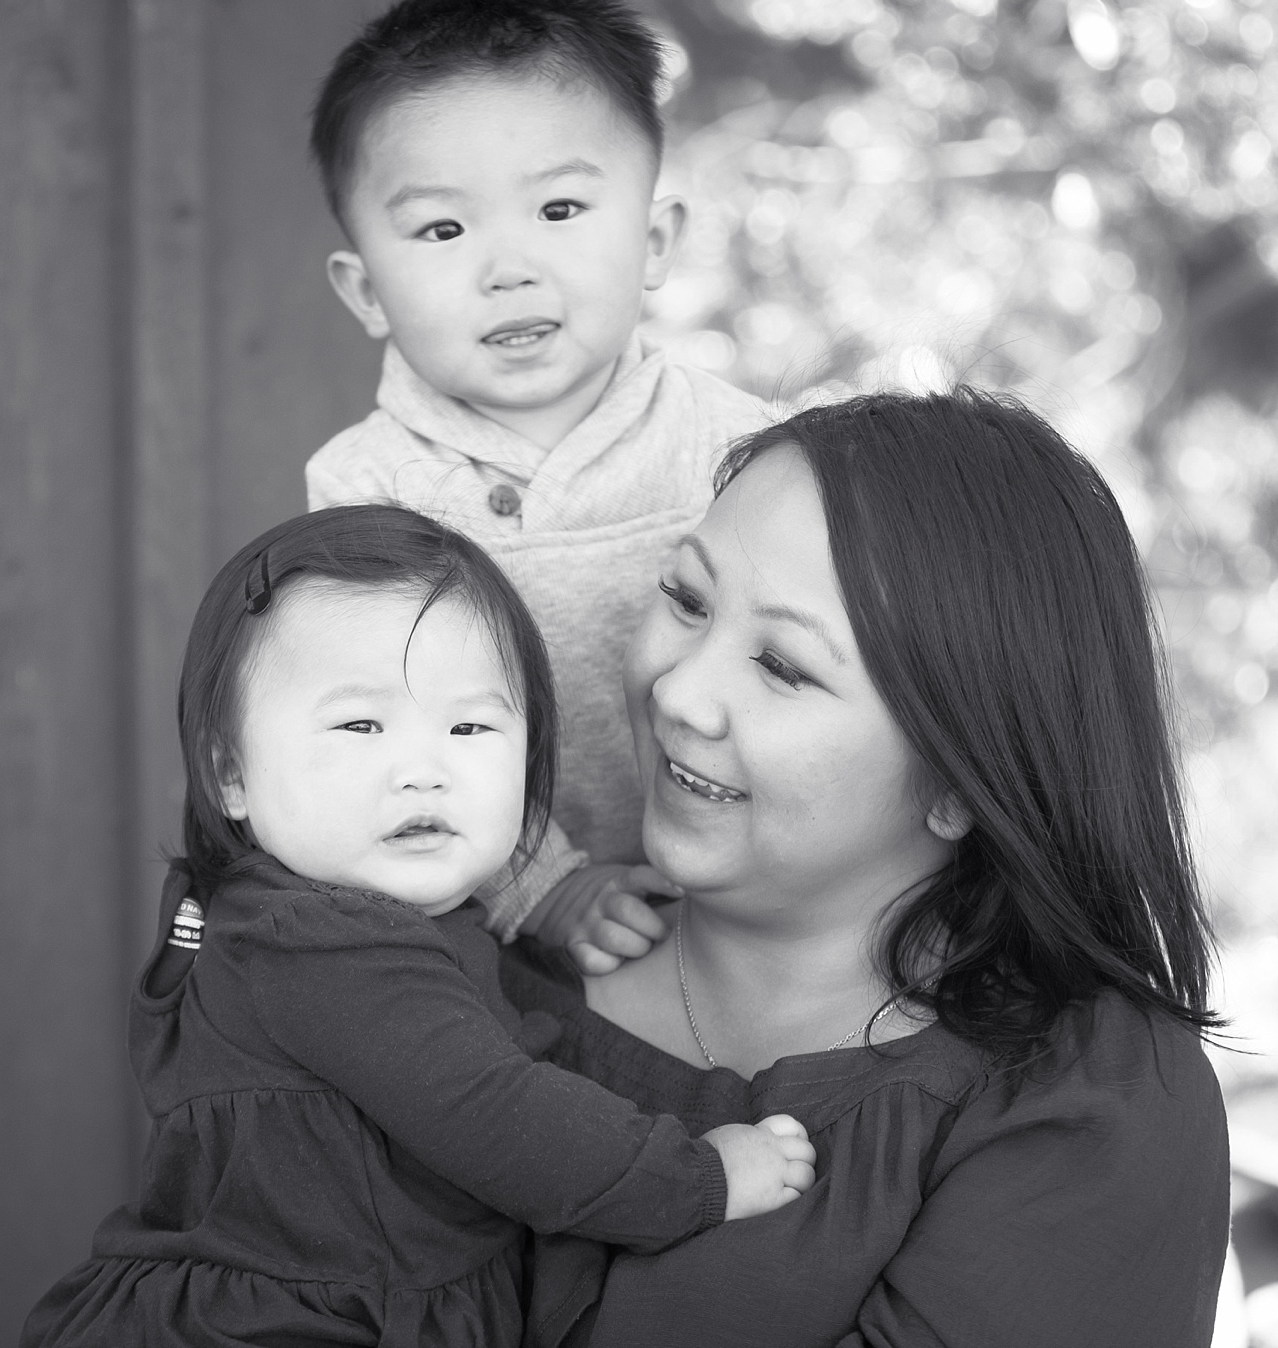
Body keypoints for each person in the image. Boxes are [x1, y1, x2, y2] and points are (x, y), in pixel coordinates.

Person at [502, 390, 1233, 1348]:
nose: (679, 692)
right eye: (686, 599)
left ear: (963, 781)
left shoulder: (1085, 1100)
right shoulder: (456, 978)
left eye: (784, 666)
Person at [21, 504, 816, 1348]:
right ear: (230, 774)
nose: (423, 771)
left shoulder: (355, 928)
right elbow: (506, 1119)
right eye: (361, 724)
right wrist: (702, 1178)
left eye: (470, 726)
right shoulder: (318, 941)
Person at [304, 0, 771, 963]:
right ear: (363, 292)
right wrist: (539, 885)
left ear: (651, 241)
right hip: (475, 915)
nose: (508, 267)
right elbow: (393, 737)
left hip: (745, 892)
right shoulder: (366, 492)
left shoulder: (740, 453)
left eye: (558, 207)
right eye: (442, 230)